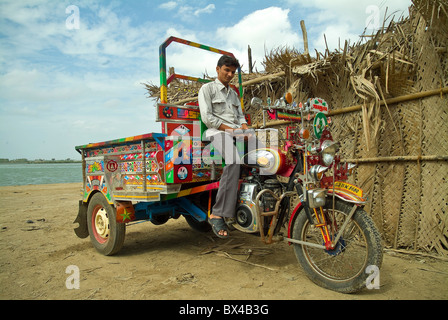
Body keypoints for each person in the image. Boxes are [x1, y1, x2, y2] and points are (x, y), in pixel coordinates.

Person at [198, 55, 248, 238]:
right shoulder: (207, 89)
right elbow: (208, 118)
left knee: (265, 159)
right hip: (216, 133)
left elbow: (241, 117)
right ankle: (218, 213)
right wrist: (232, 131)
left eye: (232, 72)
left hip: (236, 133)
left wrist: (245, 129)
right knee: (234, 161)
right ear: (217, 69)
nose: (229, 74)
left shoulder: (234, 94)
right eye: (226, 70)